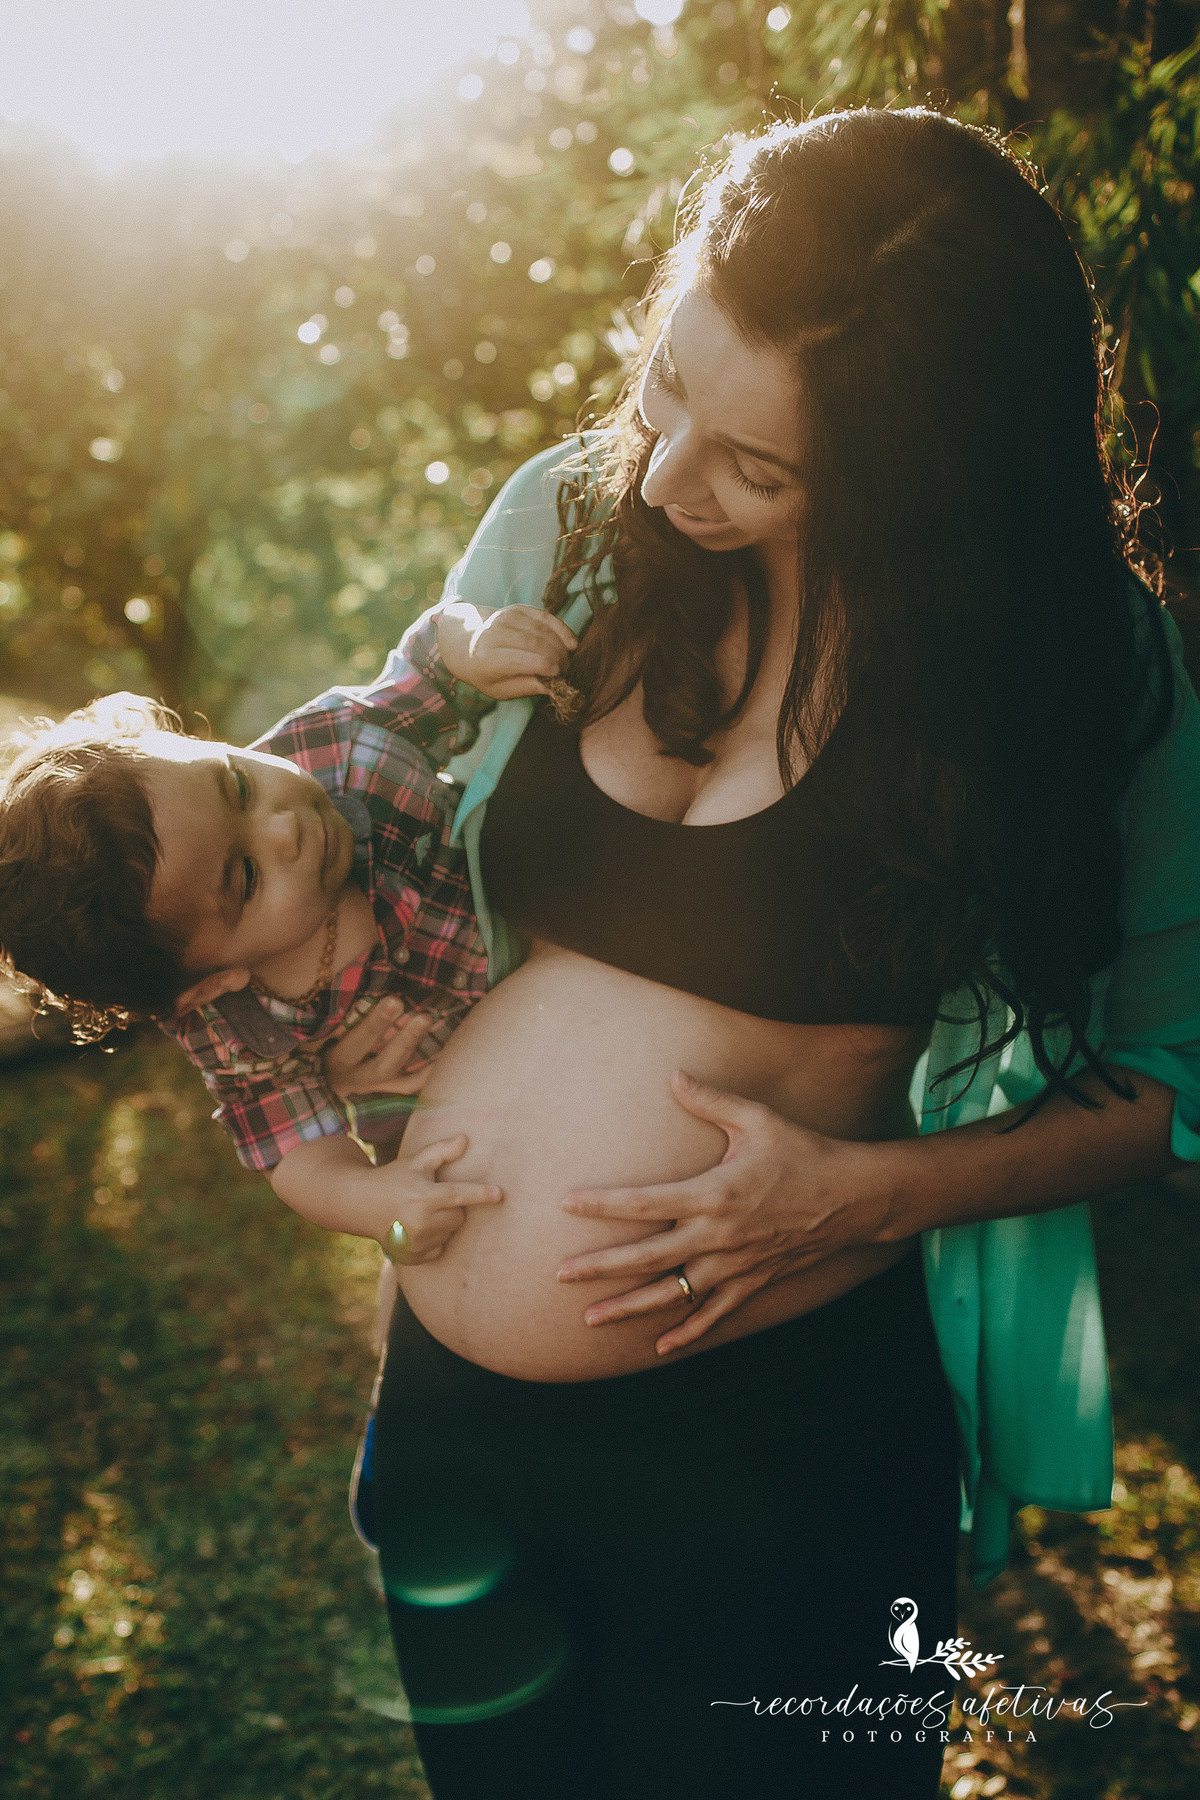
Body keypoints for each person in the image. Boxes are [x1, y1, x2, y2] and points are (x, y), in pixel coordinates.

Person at [328, 107, 1200, 1800]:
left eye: (761, 468)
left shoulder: (1078, 671)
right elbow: (376, 797)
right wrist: (348, 998)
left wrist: (862, 1194)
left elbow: (1176, 1078)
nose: (668, 477)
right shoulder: (570, 524)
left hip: (778, 1444)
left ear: (925, 477)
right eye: (669, 388)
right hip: (452, 1430)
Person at [0, 614, 571, 1252]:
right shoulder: (238, 1029)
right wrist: (374, 1202)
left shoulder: (337, 748)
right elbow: (298, 1152)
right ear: (209, 982)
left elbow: (429, 661)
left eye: (238, 784)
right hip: (472, 1097)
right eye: (246, 876)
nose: (284, 827)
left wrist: (474, 646)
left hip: (563, 922)